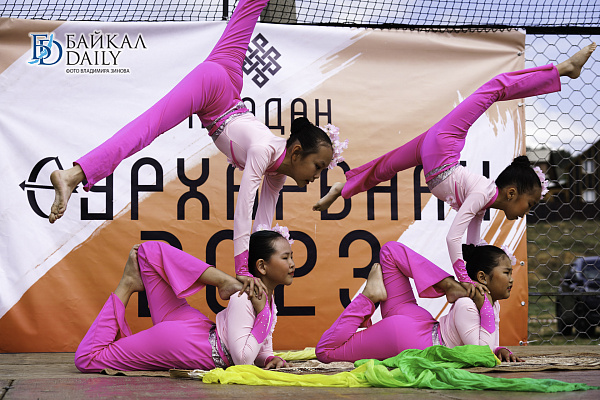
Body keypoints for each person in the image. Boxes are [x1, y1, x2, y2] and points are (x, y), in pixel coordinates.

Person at [48, 0, 337, 293]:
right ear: (297, 153)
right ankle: (73, 174)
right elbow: (244, 208)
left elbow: (262, 224)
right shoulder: (264, 151)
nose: (317, 176)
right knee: (146, 128)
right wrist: (241, 267)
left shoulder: (277, 171)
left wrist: (258, 271)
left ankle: (74, 175)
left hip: (228, 80)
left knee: (249, 8)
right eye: (318, 166)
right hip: (212, 89)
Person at [313, 44, 597, 318]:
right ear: (511, 193)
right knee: (495, 87)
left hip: (434, 154)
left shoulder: (482, 204)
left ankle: (344, 187)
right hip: (443, 145)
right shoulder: (481, 194)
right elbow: (453, 238)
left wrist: (480, 276)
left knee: (388, 165)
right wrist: (463, 277)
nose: (528, 211)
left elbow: (471, 245)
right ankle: (564, 69)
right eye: (530, 204)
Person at [75, 229, 295, 372]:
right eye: (285, 257)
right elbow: (243, 361)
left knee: (148, 253)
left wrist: (268, 359)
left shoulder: (267, 300)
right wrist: (264, 315)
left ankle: (134, 281)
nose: (293, 263)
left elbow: (259, 347)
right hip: (191, 346)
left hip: (195, 330)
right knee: (88, 358)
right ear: (261, 266)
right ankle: (127, 284)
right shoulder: (244, 297)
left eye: (291, 256)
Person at [315, 241, 522, 364]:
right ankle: (368, 298)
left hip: (420, 323)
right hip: (413, 340)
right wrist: (485, 307)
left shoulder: (491, 306)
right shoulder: (467, 305)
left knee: (390, 252)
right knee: (325, 352)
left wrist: (499, 350)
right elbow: (480, 356)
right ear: (482, 277)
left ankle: (449, 285)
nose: (512, 280)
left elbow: (488, 346)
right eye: (507, 273)